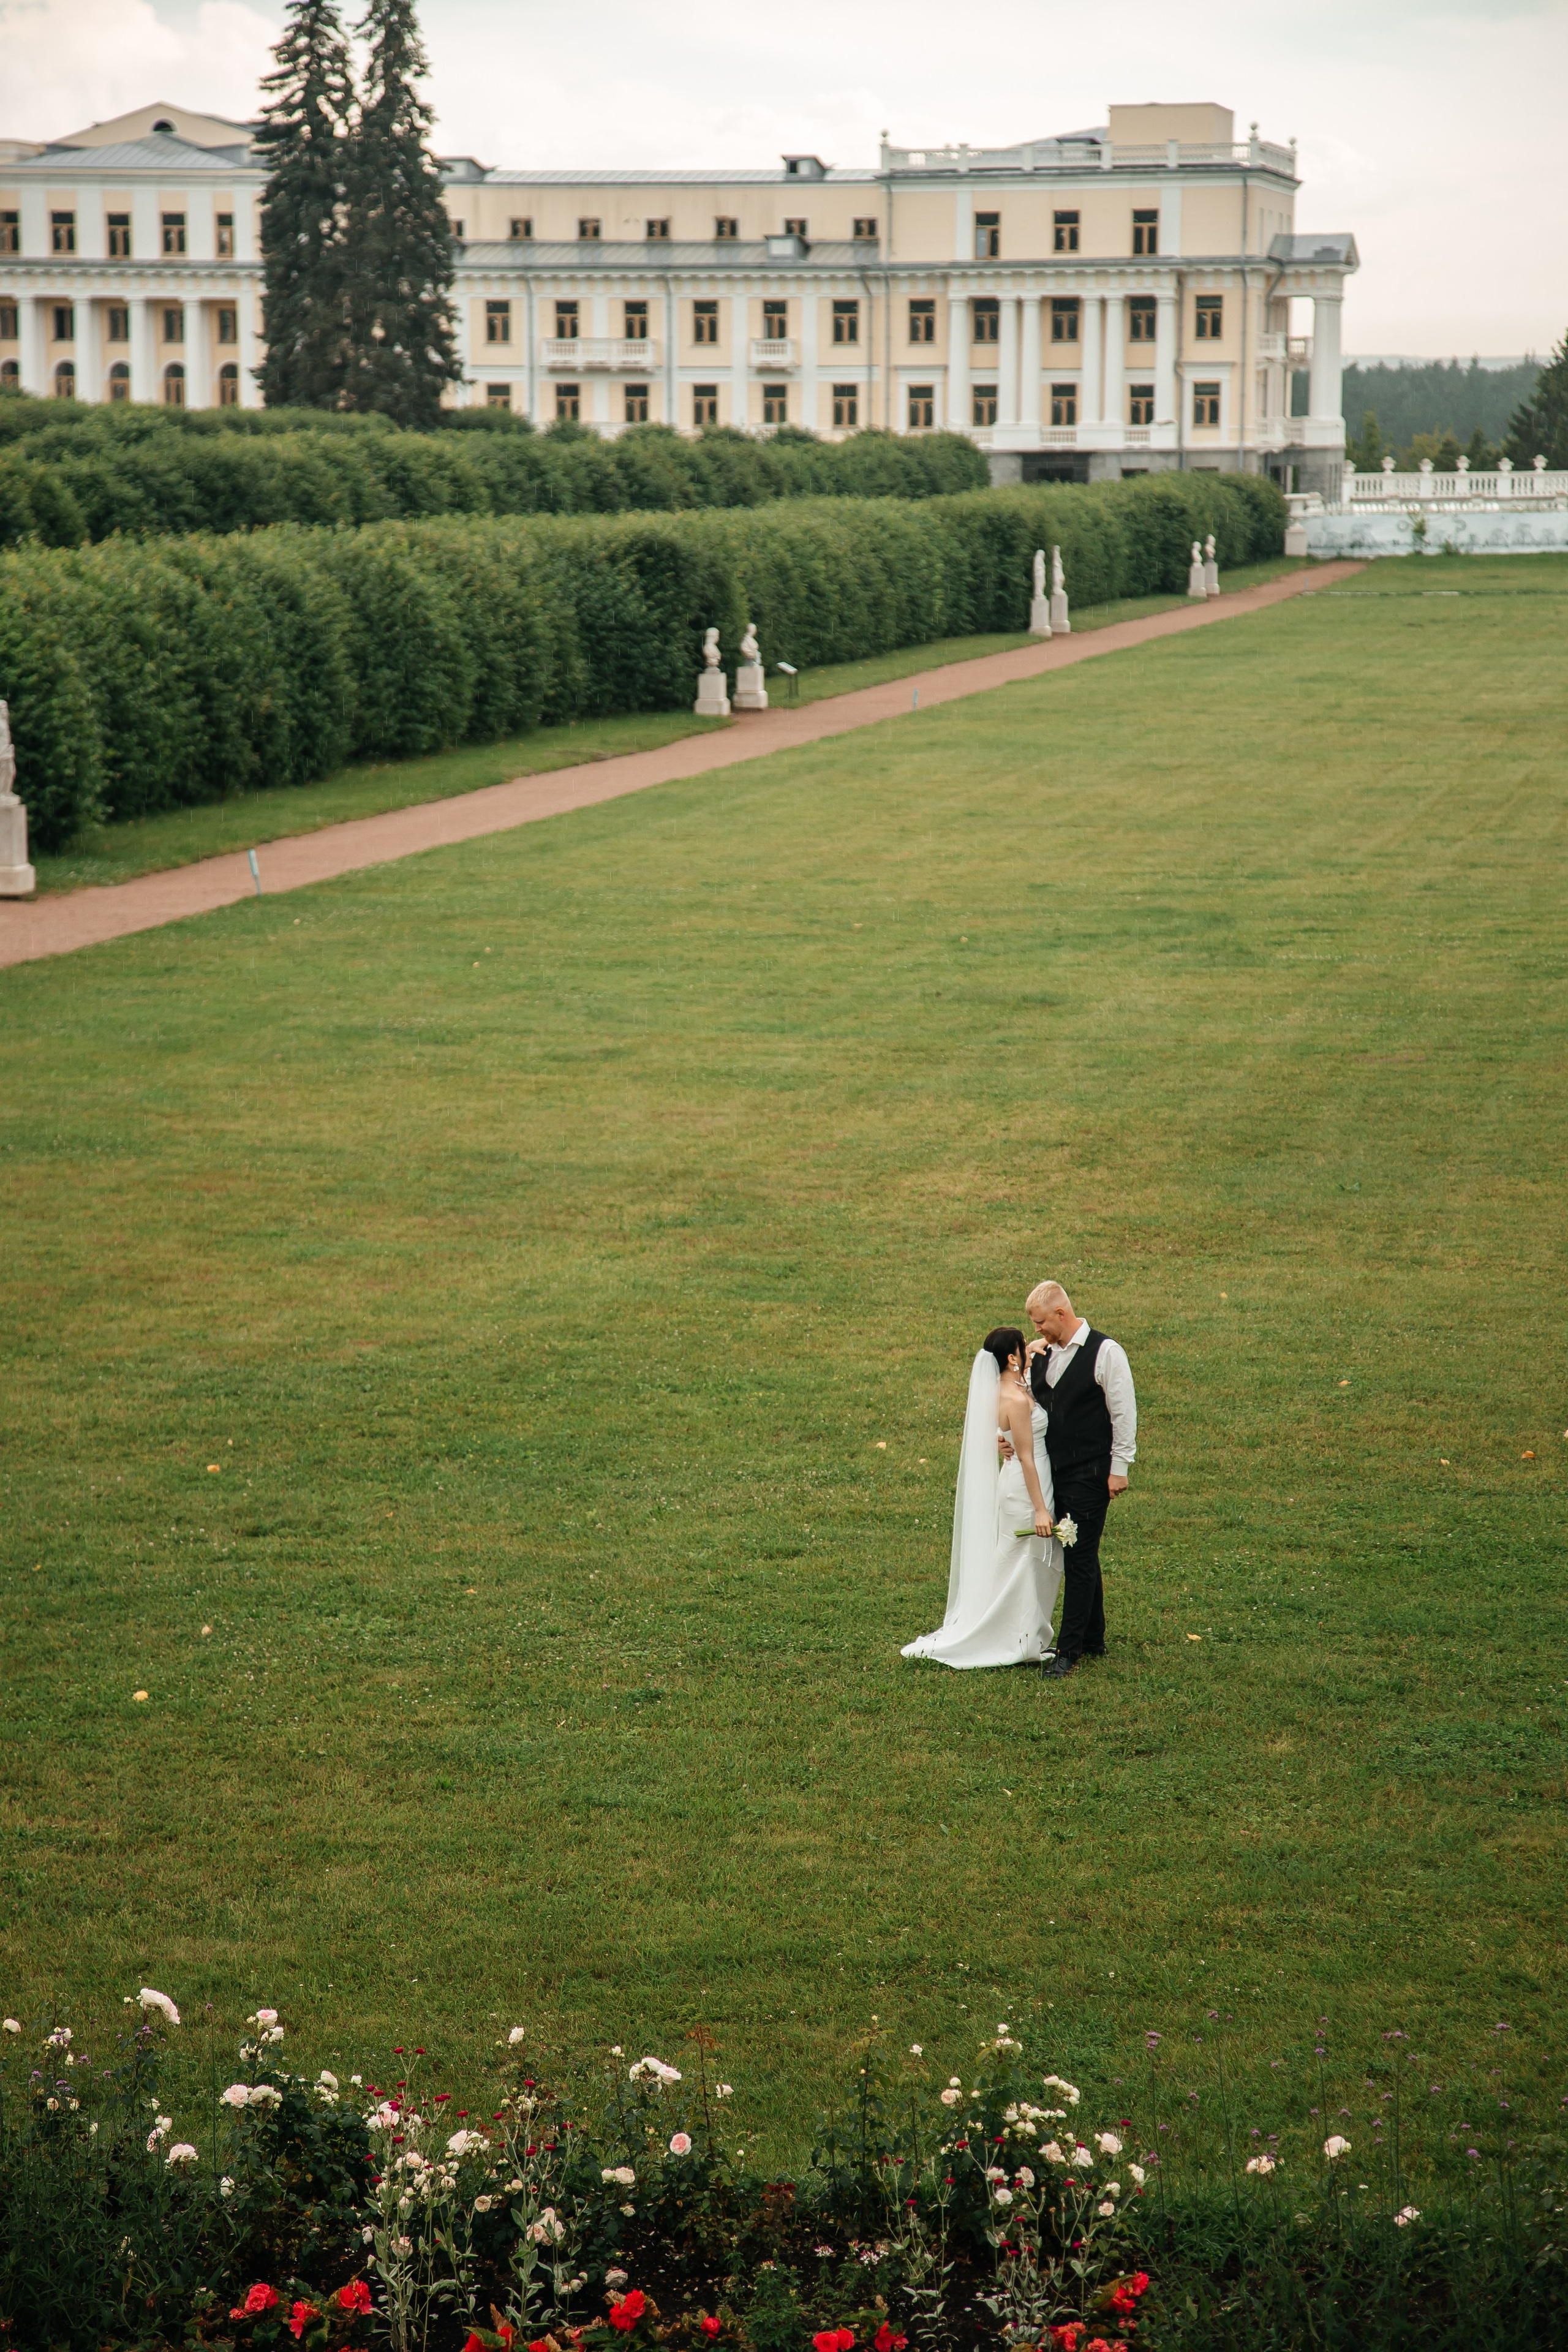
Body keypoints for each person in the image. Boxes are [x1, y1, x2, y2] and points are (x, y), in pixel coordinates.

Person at [901, 1327, 1063, 1670]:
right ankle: (1015, 1636)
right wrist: (1040, 1510)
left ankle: (1026, 1633)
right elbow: (1027, 1457)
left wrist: (1033, 1347)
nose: (1028, 1353)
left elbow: (1000, 1425)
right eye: (1022, 1349)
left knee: (1021, 1557)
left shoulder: (997, 1389)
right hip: (1026, 1484)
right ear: (1010, 1357)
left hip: (1016, 1480)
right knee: (1026, 1558)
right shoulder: (1017, 1399)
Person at [1023, 1282, 1137, 1679]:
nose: (1036, 1330)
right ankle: (1093, 1637)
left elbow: (1123, 1411)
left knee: (1079, 1554)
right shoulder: (1041, 1354)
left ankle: (1069, 1651)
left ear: (1060, 1314)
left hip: (1090, 1473)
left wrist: (1119, 1467)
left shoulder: (1106, 1353)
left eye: (1040, 1323)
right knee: (1079, 1550)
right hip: (1055, 1474)